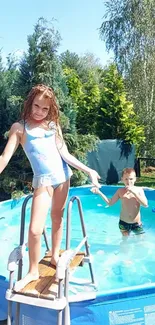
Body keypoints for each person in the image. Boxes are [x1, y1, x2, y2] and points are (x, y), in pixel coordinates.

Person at [0, 84, 100, 291]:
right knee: (35, 230)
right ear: (29, 103)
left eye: (45, 109)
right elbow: (4, 158)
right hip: (43, 182)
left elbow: (65, 154)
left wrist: (89, 170)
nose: (39, 112)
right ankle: (33, 270)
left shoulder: (53, 125)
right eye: (36, 106)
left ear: (50, 109)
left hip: (63, 178)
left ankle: (55, 255)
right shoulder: (20, 128)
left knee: (57, 218)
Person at [91, 168, 148, 237]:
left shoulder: (139, 190)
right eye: (126, 179)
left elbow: (145, 204)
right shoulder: (120, 191)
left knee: (140, 240)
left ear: (135, 179)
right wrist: (99, 192)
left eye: (131, 179)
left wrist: (135, 193)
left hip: (136, 223)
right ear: (122, 179)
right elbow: (110, 203)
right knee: (125, 242)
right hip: (123, 223)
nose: (128, 181)